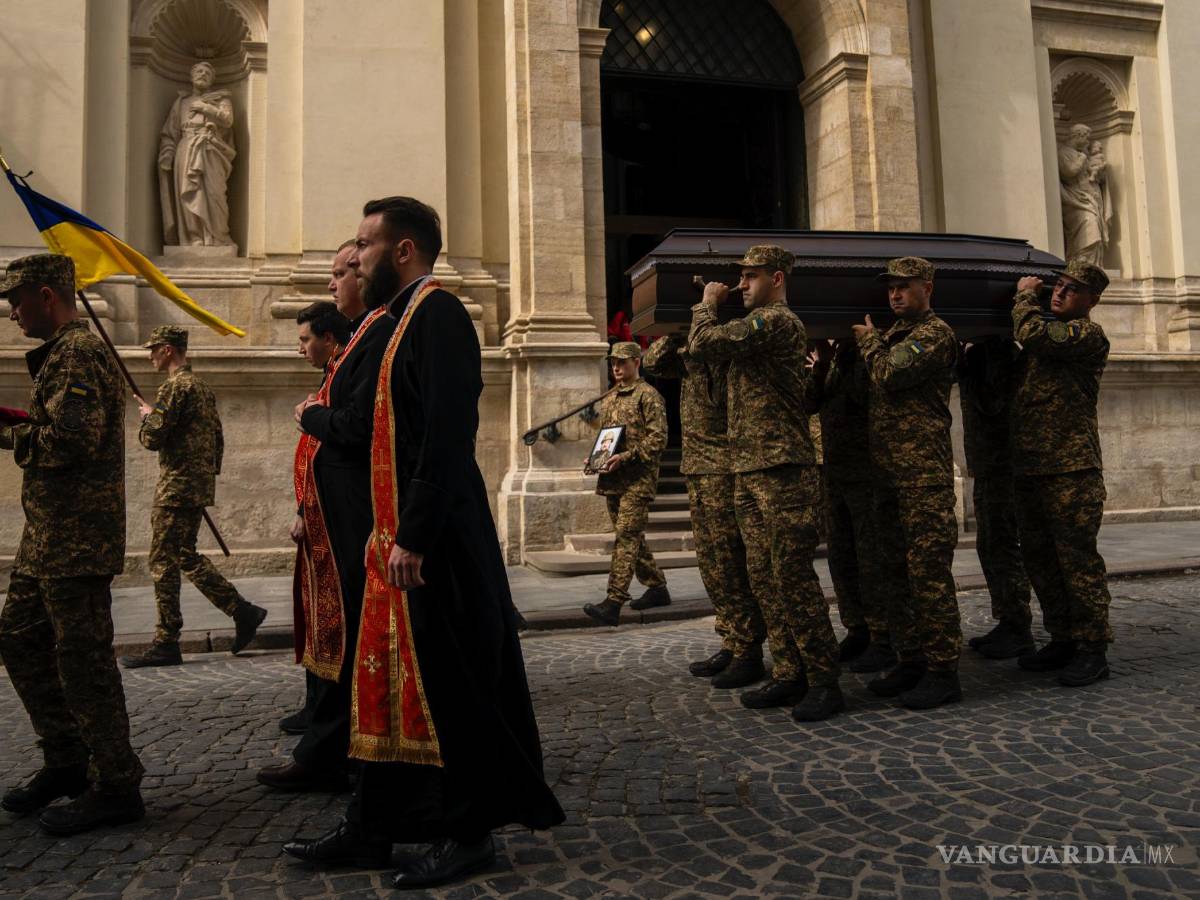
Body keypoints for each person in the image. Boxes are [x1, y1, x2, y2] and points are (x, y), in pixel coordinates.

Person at [283, 197, 563, 889]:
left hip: (432, 546)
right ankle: (371, 827)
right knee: (383, 687)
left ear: (403, 251)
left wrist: (414, 535)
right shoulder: (398, 318)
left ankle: (469, 836)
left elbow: (444, 433)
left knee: (451, 688)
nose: (356, 256)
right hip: (394, 544)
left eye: (365, 245)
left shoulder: (437, 314)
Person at [0, 253, 145, 834]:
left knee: (84, 661)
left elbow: (69, 442)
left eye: (16, 301)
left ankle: (116, 784)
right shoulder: (61, 354)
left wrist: (7, 430)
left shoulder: (78, 352)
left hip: (77, 539)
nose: (11, 313)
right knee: (19, 640)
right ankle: (65, 762)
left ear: (46, 294)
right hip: (49, 537)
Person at [259, 242, 399, 792]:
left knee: (346, 632)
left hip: (354, 522)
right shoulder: (361, 339)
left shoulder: (377, 333)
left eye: (342, 273)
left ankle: (333, 751)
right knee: (328, 631)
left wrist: (316, 415)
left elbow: (359, 427)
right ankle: (327, 742)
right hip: (329, 521)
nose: (332, 284)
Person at [688, 245, 844, 722]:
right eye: (739, 277)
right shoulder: (753, 330)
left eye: (750, 277)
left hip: (781, 468)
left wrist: (703, 306)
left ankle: (823, 680)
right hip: (747, 466)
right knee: (764, 577)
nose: (740, 285)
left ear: (776, 278)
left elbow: (704, 344)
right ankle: (790, 671)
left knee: (792, 577)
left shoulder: (778, 322)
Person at [120, 326, 267, 669]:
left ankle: (166, 641)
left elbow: (153, 438)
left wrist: (147, 419)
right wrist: (204, 477)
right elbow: (217, 436)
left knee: (162, 561)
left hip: (176, 486)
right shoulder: (199, 386)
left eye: (154, 348)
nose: (150, 355)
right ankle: (243, 611)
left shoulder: (175, 387)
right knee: (185, 555)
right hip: (195, 484)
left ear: (169, 350)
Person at [853, 256, 962, 710]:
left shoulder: (936, 335)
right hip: (888, 476)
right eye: (891, 288)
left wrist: (869, 342)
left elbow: (890, 372)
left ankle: (943, 670)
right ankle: (911, 657)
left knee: (928, 576)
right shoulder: (893, 335)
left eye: (904, 286)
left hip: (923, 477)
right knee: (893, 575)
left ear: (927, 288)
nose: (895, 294)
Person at [1011, 261, 1113, 686]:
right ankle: (1062, 638)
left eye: (1072, 289)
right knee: (1040, 559)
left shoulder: (1086, 336)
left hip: (1072, 470)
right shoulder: (1046, 344)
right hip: (1034, 467)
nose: (1059, 292)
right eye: (1057, 285)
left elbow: (1032, 332)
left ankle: (1093, 648)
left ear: (1092, 300)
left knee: (1077, 562)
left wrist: (1023, 295)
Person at [642, 333, 765, 687]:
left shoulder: (724, 341)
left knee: (730, 563)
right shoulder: (689, 347)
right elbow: (653, 362)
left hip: (723, 466)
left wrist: (706, 316)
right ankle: (731, 639)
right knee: (712, 566)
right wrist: (679, 328)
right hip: (696, 466)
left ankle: (748, 649)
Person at [278, 299, 350, 737]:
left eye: (305, 339)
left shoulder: (341, 375)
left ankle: (325, 710)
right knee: (313, 611)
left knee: (328, 615)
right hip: (315, 515)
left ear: (328, 338)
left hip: (330, 519)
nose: (300, 348)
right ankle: (316, 704)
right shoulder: (328, 377)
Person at [809, 338, 893, 673]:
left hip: (866, 473)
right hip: (835, 471)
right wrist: (822, 366)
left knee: (870, 558)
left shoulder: (866, 354)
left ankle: (883, 635)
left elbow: (868, 397)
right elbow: (810, 402)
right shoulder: (831, 358)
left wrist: (848, 356)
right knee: (841, 556)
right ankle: (857, 627)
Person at [581, 342, 671, 626]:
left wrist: (627, 457)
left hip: (638, 480)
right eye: (613, 363)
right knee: (631, 535)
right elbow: (608, 437)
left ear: (637, 362)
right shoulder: (610, 398)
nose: (616, 368)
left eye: (622, 362)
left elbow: (658, 439)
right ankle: (657, 587)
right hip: (613, 478)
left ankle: (614, 601)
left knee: (626, 538)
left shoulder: (649, 395)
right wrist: (595, 458)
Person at [959, 336, 1035, 659]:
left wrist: (967, 363)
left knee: (1003, 543)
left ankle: (1018, 626)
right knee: (988, 543)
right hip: (987, 465)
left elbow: (992, 400)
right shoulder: (980, 353)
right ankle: (1007, 620)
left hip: (1004, 466)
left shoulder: (1001, 352)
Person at [158, 60, 236, 247]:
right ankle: (194, 237)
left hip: (211, 148)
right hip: (185, 149)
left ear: (212, 80)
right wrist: (167, 154)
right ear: (191, 77)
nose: (203, 74)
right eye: (199, 71)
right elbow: (170, 132)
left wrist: (206, 108)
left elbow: (227, 121)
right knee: (189, 193)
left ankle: (217, 236)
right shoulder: (181, 102)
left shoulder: (221, 100)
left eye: (207, 73)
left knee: (215, 193)